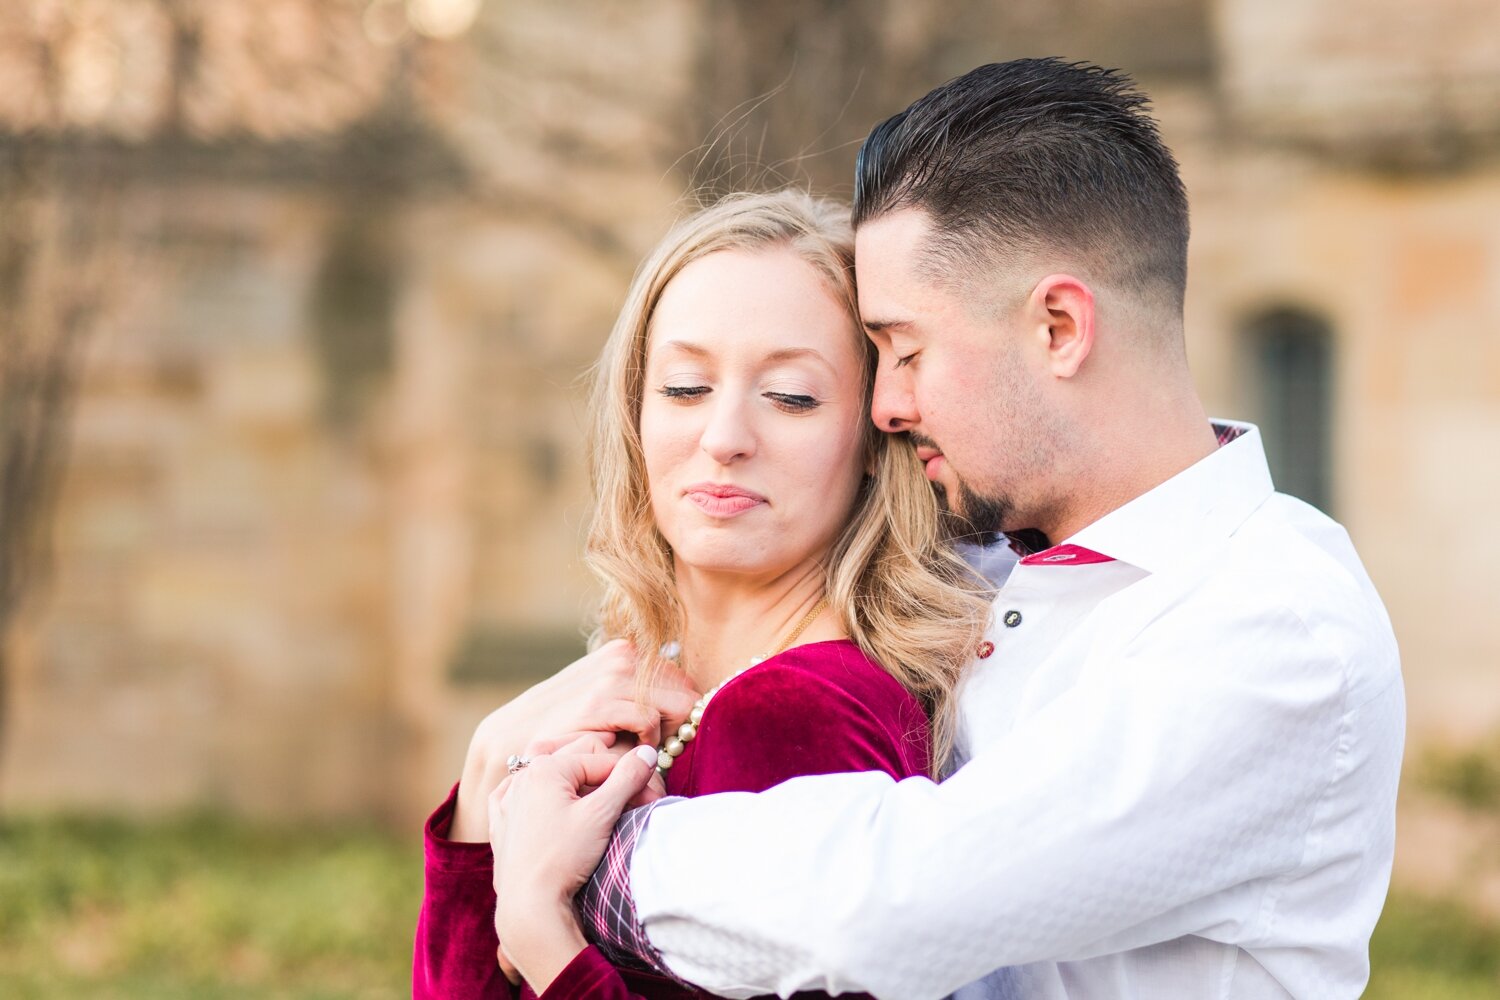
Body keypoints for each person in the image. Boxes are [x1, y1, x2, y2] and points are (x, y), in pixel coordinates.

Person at [489, 58, 1406, 999]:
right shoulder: (995, 561)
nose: (885, 405)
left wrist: (581, 854)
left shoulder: (1274, 629)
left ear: (1058, 328)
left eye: (906, 350)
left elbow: (896, 900)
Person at [412, 190, 992, 997]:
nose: (724, 440)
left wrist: (542, 936)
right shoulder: (642, 687)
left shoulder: (802, 712)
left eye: (790, 397)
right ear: (636, 414)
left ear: (872, 436)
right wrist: (485, 772)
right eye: (685, 388)